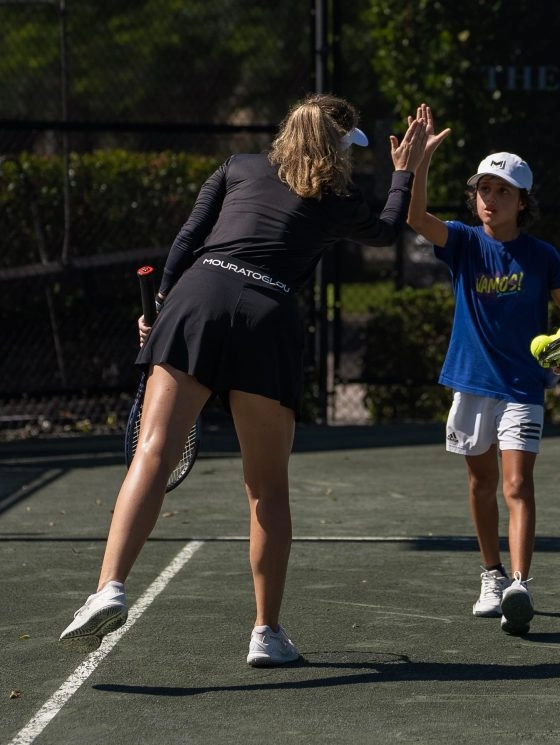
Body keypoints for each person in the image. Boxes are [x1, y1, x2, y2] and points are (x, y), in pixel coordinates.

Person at [59, 93, 427, 665]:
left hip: (198, 298)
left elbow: (185, 242)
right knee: (266, 486)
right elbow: (386, 231)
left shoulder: (238, 166)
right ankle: (266, 633)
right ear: (337, 148)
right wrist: (405, 171)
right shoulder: (337, 198)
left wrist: (157, 313)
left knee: (151, 454)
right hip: (268, 317)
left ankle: (107, 588)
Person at [406, 104, 560, 635]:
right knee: (480, 484)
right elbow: (416, 219)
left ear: (522, 201)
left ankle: (520, 584)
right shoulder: (462, 241)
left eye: (502, 191)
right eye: (483, 190)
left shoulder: (543, 256)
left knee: (517, 484)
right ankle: (491, 573)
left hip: (523, 388)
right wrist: (419, 164)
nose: (490, 200)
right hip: (471, 384)